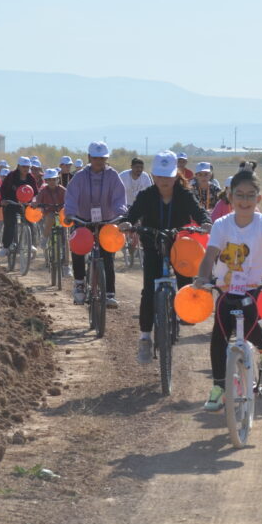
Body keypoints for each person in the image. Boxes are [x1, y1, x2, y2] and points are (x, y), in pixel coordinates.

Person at [194, 167, 262, 410]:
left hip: (259, 286)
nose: (244, 200)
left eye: (250, 195)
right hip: (227, 286)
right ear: (230, 196)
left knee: (247, 315)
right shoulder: (221, 225)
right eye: (240, 194)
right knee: (219, 332)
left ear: (258, 198)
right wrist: (202, 278)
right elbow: (210, 255)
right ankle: (218, 386)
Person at [123, 151, 211, 364]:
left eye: (168, 176)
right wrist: (126, 223)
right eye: (160, 176)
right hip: (152, 243)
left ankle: (182, 311)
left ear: (175, 176)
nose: (164, 181)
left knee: (184, 278)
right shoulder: (147, 195)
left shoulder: (184, 194)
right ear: (153, 176)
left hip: (179, 243)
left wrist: (205, 222)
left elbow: (198, 212)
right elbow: (132, 213)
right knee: (148, 291)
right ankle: (145, 337)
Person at [63, 142, 127, 307]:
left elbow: (119, 196)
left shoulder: (113, 176)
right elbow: (71, 196)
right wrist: (70, 213)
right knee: (77, 248)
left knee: (108, 256)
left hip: (107, 221)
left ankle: (110, 293)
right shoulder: (80, 176)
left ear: (106, 159)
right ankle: (79, 284)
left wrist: (120, 213)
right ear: (89, 157)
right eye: (96, 158)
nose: (99, 161)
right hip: (83, 220)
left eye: (102, 158)